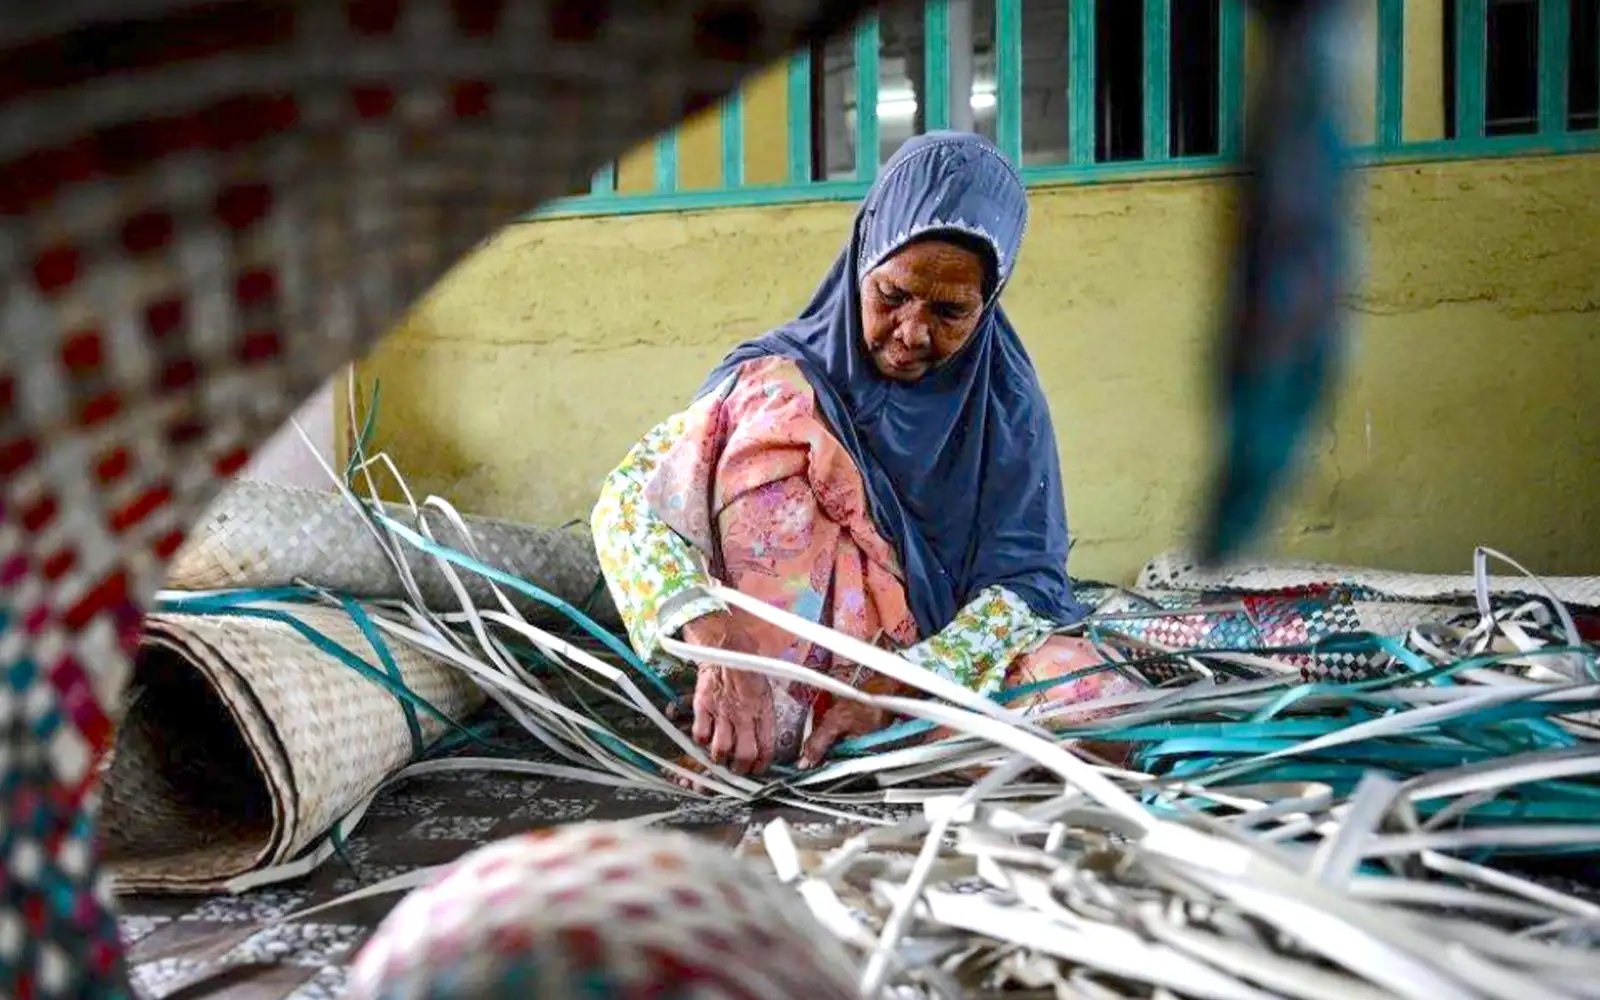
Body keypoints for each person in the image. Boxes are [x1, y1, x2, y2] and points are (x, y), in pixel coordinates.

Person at [592, 131, 1140, 778]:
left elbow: (1027, 584)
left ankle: (878, 744)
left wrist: (896, 687)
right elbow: (631, 501)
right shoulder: (777, 380)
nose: (912, 333)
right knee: (773, 411)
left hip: (937, 670)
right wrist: (714, 639)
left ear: (988, 303)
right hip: (780, 671)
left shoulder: (1005, 405)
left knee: (1104, 710)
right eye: (892, 295)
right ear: (862, 261)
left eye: (951, 311)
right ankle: (766, 723)